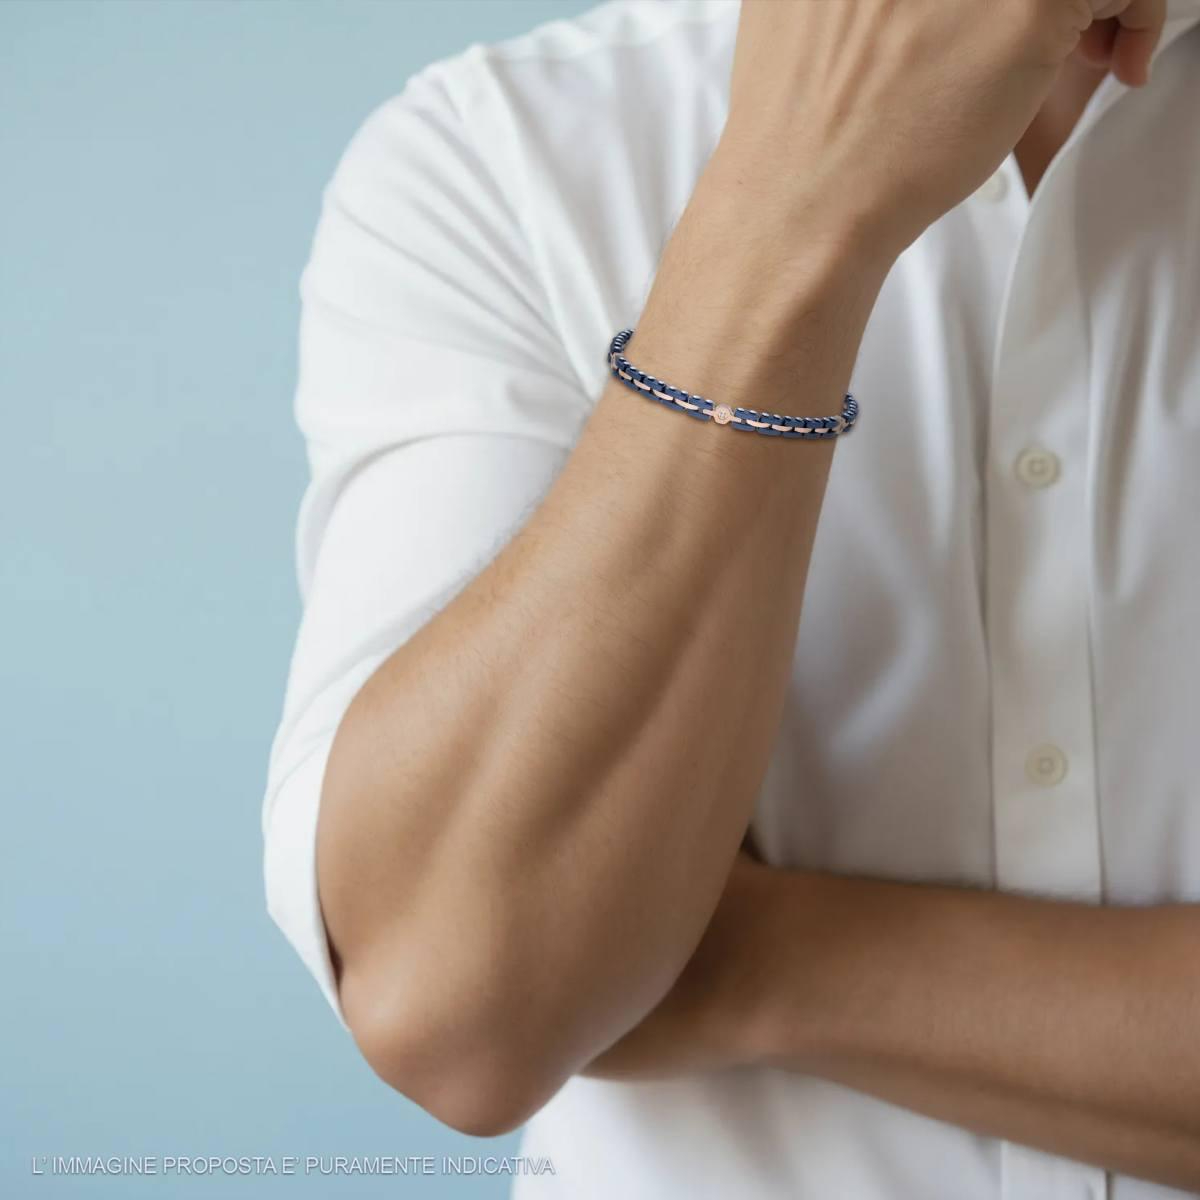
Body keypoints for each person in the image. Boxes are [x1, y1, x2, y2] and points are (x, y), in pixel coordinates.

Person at [261, 0, 1200, 1195]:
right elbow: (461, 1007)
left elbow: (515, 964)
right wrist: (799, 194)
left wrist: (734, 962)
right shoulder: (503, 156)